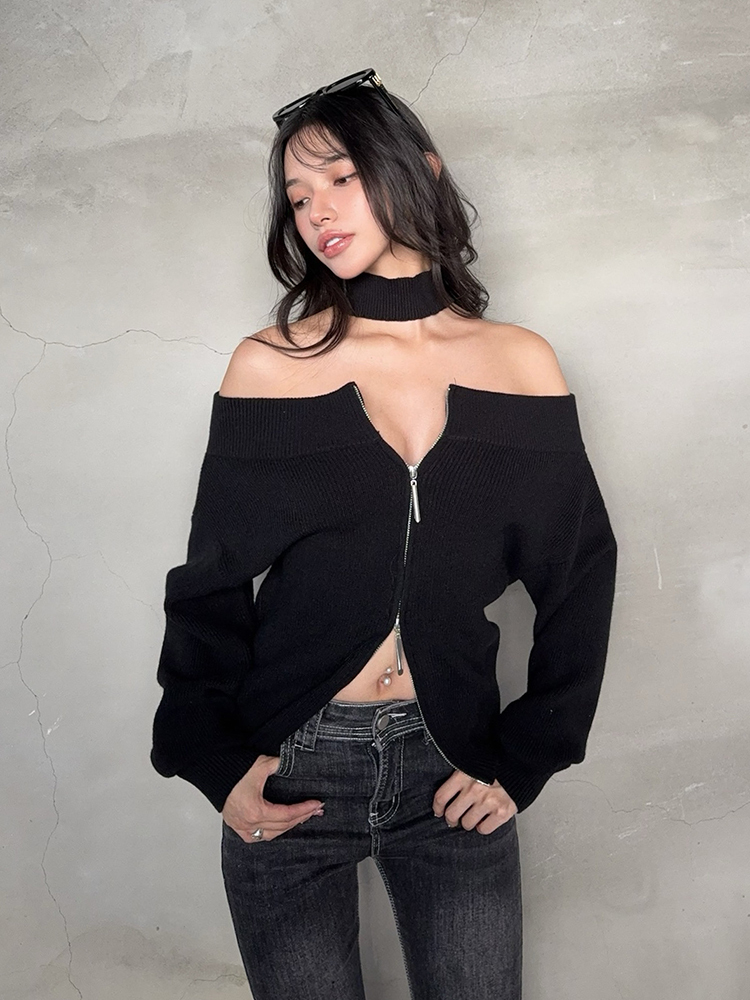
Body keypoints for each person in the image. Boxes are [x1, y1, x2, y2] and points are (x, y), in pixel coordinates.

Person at [150, 69, 618, 1000]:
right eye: (298, 196)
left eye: (340, 177)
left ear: (420, 170)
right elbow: (210, 583)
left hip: (452, 764)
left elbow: (580, 574)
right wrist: (213, 761)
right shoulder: (271, 366)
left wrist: (524, 759)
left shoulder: (519, 364)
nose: (317, 211)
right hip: (291, 764)